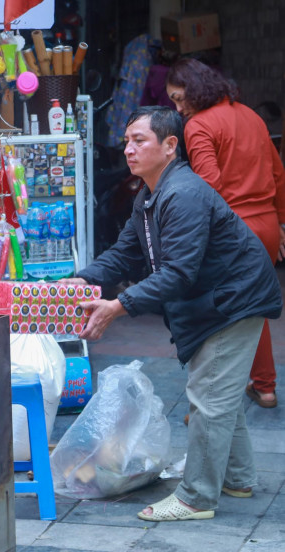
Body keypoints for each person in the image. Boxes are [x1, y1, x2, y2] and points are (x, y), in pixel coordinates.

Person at [64, 106, 282, 521]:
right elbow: (126, 252)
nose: (128, 150)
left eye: (139, 141)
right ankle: (237, 478)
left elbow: (179, 273)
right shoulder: (150, 195)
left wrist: (118, 306)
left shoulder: (182, 193)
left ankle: (196, 498)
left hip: (233, 301)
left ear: (170, 147)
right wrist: (83, 280)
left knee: (209, 400)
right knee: (220, 397)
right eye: (127, 141)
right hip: (217, 300)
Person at [165, 58, 285, 408]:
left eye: (178, 97)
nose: (177, 107)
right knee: (254, 306)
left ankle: (201, 403)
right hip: (265, 225)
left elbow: (208, 188)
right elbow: (278, 174)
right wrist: (279, 223)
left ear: (193, 88)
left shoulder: (199, 124)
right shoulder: (251, 116)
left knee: (213, 311)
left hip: (232, 228)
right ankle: (264, 386)